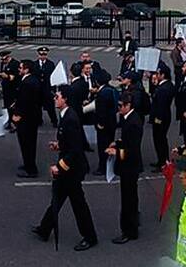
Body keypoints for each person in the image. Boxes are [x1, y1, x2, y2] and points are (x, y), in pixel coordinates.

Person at [31, 86, 97, 252]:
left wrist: (59, 166)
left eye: (58, 96)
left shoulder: (70, 119)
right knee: (57, 198)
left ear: (65, 99)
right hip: (68, 168)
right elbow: (70, 142)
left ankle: (90, 237)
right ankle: (44, 228)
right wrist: (59, 145)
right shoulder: (66, 115)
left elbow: (76, 149)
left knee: (78, 204)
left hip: (72, 170)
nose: (55, 99)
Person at [107, 92, 143, 244]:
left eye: (121, 106)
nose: (119, 108)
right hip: (129, 166)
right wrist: (118, 142)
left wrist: (117, 151)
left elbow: (132, 149)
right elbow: (127, 141)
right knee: (130, 197)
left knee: (128, 199)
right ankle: (131, 225)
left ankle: (129, 230)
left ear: (129, 106)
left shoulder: (133, 122)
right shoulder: (128, 118)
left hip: (130, 166)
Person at [13, 60, 42, 178]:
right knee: (29, 143)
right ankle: (28, 164)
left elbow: (26, 102)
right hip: (32, 118)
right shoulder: (32, 80)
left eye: (21, 67)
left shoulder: (27, 83)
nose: (19, 69)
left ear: (26, 69)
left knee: (26, 144)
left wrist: (18, 114)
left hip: (27, 119)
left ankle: (31, 169)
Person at [149, 67, 174, 172]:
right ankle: (161, 160)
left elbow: (161, 105)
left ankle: (163, 162)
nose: (156, 75)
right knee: (160, 139)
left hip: (161, 117)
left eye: (158, 74)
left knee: (160, 140)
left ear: (163, 75)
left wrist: (158, 118)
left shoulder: (164, 88)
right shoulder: (167, 85)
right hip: (164, 116)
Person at [93, 70, 117, 176]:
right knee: (110, 143)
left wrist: (100, 124)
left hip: (104, 124)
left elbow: (101, 111)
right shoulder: (112, 90)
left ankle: (102, 167)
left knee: (102, 146)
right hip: (112, 122)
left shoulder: (102, 94)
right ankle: (110, 164)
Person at [35, 47, 58, 127]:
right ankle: (38, 120)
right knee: (37, 107)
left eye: (44, 54)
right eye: (41, 54)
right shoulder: (35, 64)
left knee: (50, 107)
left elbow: (53, 77)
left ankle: (54, 121)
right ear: (38, 55)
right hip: (38, 90)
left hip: (47, 89)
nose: (42, 56)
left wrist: (53, 90)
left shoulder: (50, 64)